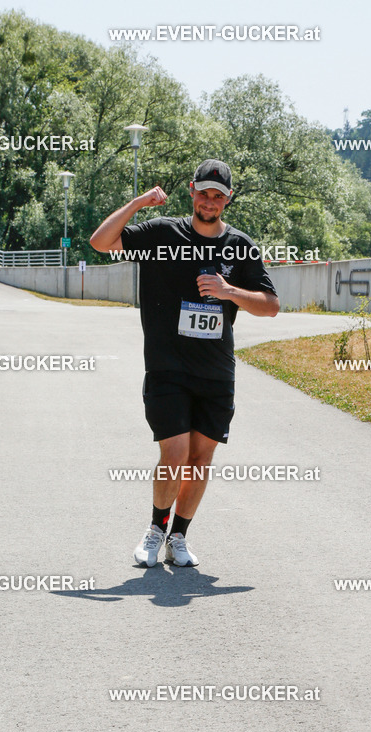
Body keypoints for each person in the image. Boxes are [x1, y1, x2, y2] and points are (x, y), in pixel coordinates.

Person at [90, 159, 279, 568]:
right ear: (191, 191)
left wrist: (229, 290)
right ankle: (155, 530)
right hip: (167, 368)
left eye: (218, 195)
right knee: (174, 455)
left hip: (215, 372)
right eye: (204, 192)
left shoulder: (240, 247)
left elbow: (271, 306)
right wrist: (138, 203)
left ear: (227, 200)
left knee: (199, 460)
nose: (209, 201)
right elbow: (101, 243)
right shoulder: (162, 234)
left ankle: (179, 537)